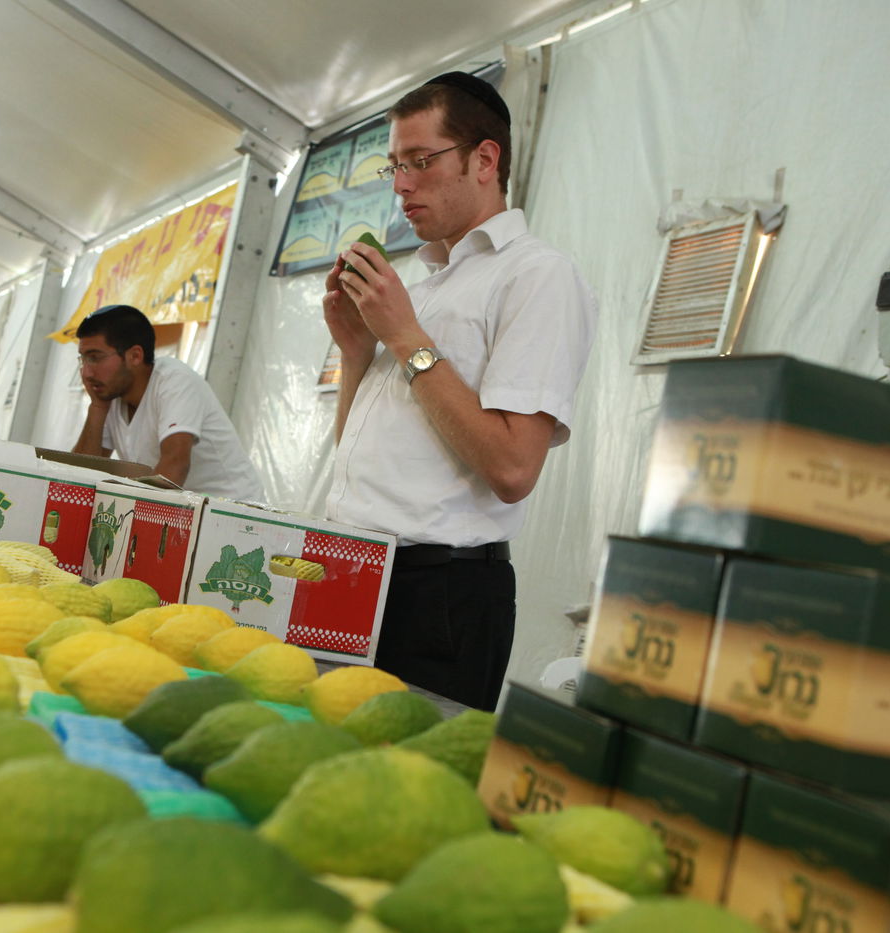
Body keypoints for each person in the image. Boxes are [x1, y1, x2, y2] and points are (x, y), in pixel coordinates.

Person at [323, 72, 597, 711]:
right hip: (354, 569)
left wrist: (405, 340)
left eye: (421, 161)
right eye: (394, 166)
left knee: (407, 796)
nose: (402, 185)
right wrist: (357, 352)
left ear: (484, 159)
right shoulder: (426, 286)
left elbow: (512, 466)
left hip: (437, 595)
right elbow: (359, 462)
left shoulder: (537, 276)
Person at [71, 304, 264, 501]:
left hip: (235, 516)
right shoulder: (111, 394)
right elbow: (80, 477)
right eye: (83, 360)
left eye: (95, 358)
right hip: (185, 513)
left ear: (135, 356)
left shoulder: (174, 379)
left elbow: (176, 465)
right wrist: (98, 407)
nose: (86, 373)